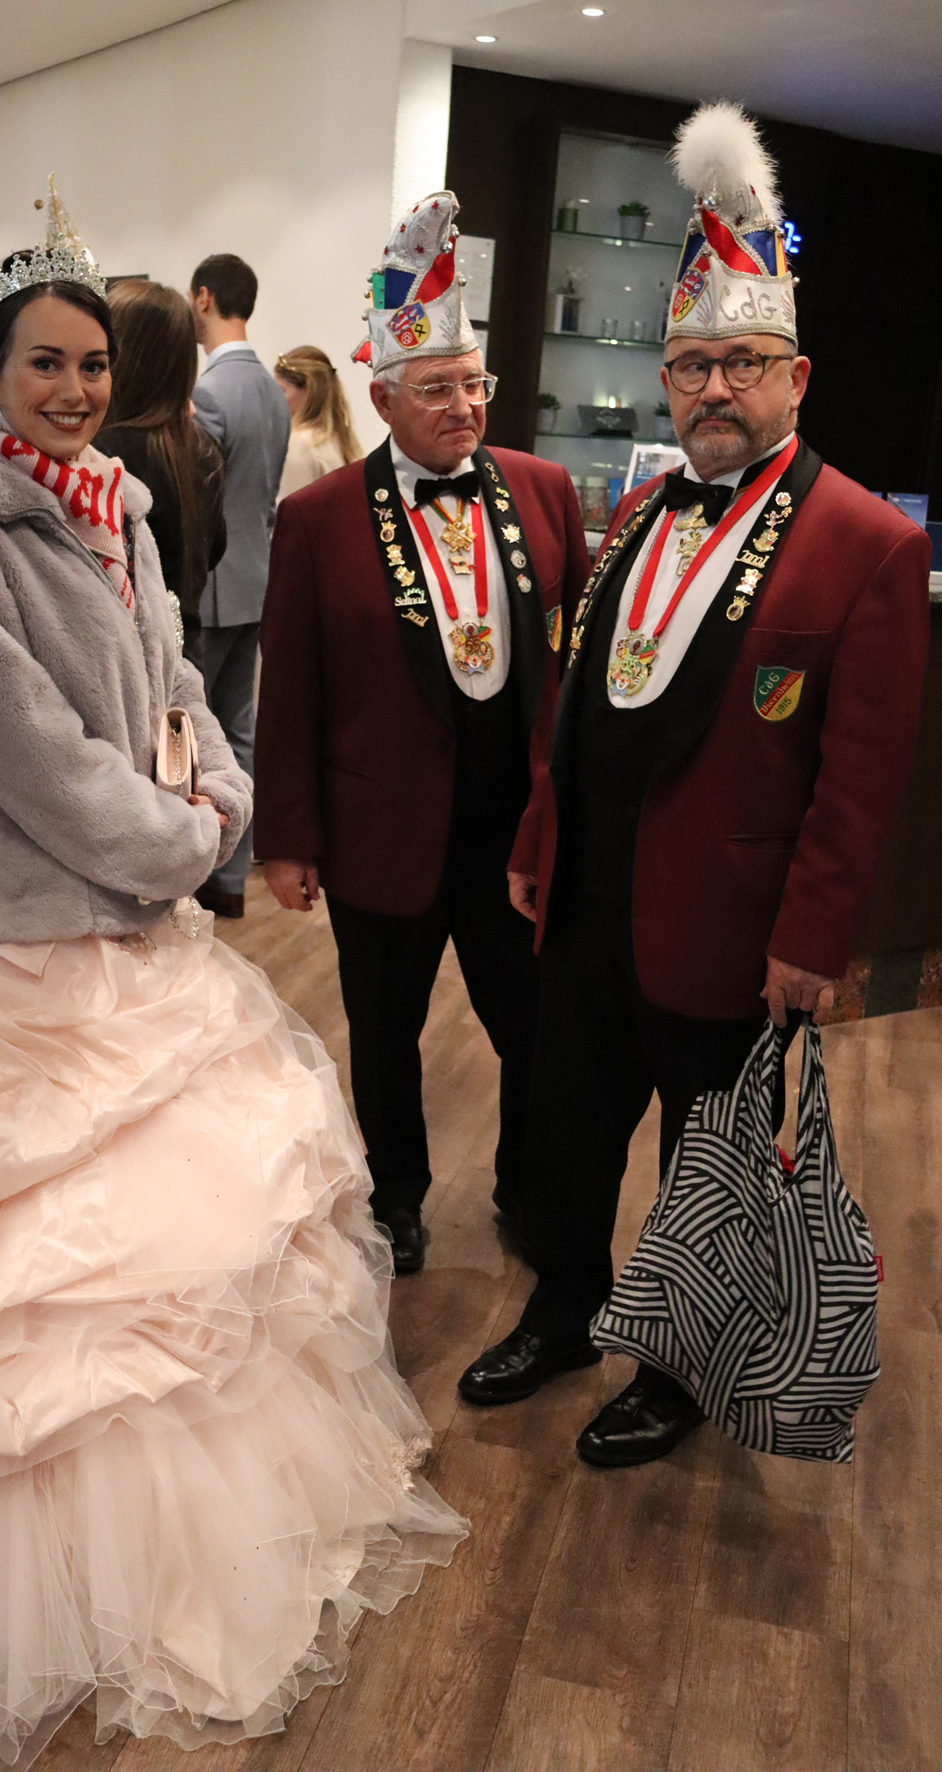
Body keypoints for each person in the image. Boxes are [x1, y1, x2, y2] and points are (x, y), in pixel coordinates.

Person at [0, 188, 464, 1769]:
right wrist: (180, 840)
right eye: (44, 362)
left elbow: (178, 686)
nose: (75, 389)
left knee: (186, 1259)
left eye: (92, 364)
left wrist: (218, 793)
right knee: (21, 1277)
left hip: (134, 929)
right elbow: (34, 760)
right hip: (20, 940)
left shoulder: (121, 510)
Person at [457, 104, 932, 1467]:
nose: (712, 388)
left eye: (740, 363)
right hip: (587, 899)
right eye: (690, 365)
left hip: (731, 924)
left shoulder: (864, 544)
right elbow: (575, 705)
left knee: (701, 1166)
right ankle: (561, 1311)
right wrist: (539, 838)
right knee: (564, 1129)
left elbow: (861, 777)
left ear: (796, 376)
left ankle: (675, 1369)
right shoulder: (635, 510)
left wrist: (812, 943)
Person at [255, 192, 589, 1275]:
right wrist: (286, 838)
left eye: (472, 384)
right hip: (380, 826)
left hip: (513, 830)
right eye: (436, 389)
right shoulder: (316, 519)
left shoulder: (543, 492)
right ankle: (394, 1196)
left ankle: (525, 1189)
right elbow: (289, 686)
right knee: (385, 1031)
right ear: (382, 396)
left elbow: (574, 668)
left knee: (528, 1027)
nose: (462, 406)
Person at [188, 250, 290, 917]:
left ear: (203, 298)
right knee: (238, 728)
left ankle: (191, 868)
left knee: (186, 731)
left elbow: (200, 497)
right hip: (257, 579)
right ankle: (229, 879)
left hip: (211, 585)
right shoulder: (274, 391)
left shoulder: (209, 391)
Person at [96, 279, 226, 648]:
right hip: (186, 648)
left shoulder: (103, 454)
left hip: (127, 655)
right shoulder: (202, 447)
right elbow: (213, 548)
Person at [274, 345, 362, 500]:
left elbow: (291, 511)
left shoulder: (299, 444)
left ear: (308, 390)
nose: (274, 399)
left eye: (282, 390)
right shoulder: (341, 442)